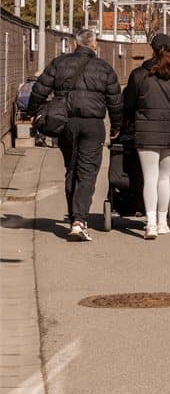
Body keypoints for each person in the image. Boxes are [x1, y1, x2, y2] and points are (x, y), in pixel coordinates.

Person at [29, 34, 123, 241]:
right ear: (94, 45)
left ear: (74, 44)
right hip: (93, 125)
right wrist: (117, 125)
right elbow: (115, 101)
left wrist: (33, 112)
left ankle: (74, 217)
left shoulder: (59, 63)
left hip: (66, 123)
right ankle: (79, 220)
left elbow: (39, 89)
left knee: (71, 169)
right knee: (87, 171)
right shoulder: (104, 68)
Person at [120, 34, 170, 239]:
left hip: (146, 132)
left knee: (149, 178)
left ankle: (150, 224)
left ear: (151, 49)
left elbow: (130, 104)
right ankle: (162, 222)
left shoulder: (140, 75)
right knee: (164, 178)